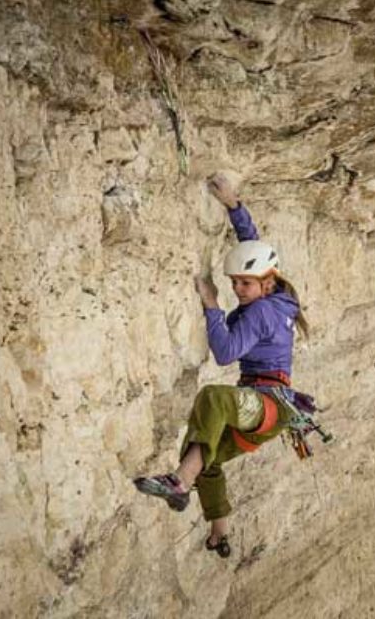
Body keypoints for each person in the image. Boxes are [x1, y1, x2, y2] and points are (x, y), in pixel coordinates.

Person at [133, 172, 309, 559]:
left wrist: (212, 305)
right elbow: (253, 245)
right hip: (268, 406)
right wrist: (233, 205)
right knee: (202, 451)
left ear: (264, 283)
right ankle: (219, 533)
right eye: (234, 283)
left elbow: (226, 352)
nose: (236, 289)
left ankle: (179, 482)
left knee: (212, 400)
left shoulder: (261, 311)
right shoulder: (275, 292)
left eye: (243, 284)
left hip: (267, 402)